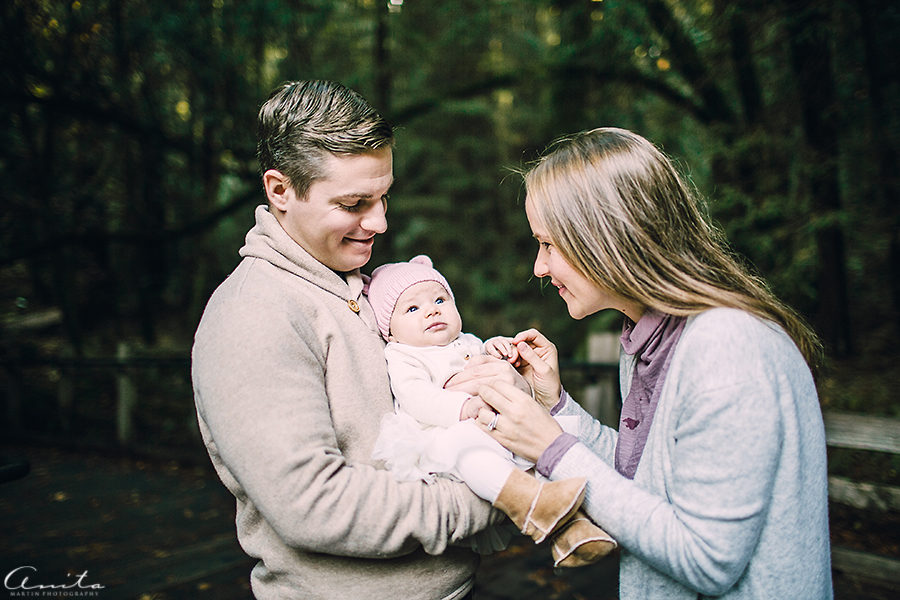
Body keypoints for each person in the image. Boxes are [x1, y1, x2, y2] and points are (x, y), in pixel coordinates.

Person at [191, 80, 525, 600]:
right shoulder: (254, 314)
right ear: (279, 191)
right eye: (353, 204)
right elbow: (314, 505)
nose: (379, 222)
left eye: (383, 197)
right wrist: (504, 494)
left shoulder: (367, 288)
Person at [467, 127, 833, 599]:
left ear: (607, 236)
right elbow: (648, 481)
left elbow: (708, 559)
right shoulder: (650, 339)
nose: (539, 267)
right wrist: (556, 408)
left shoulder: (727, 347)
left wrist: (553, 449)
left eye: (549, 244)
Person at [365, 255, 616, 567]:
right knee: (473, 457)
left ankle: (571, 528)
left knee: (536, 450)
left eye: (440, 299)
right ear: (390, 330)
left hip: (494, 427)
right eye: (412, 309)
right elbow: (416, 397)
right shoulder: (403, 354)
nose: (432, 310)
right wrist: (462, 406)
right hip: (444, 436)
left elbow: (480, 351)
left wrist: (496, 347)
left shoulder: (464, 340)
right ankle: (532, 506)